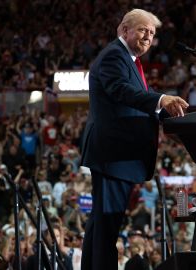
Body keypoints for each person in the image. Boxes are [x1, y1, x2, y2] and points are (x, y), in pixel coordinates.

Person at [79, 8, 188, 270]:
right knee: (106, 227)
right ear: (124, 29)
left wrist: (174, 119)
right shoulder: (114, 56)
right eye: (143, 30)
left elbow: (141, 101)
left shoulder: (129, 60)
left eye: (151, 33)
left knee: (102, 227)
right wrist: (162, 99)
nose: (148, 37)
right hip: (114, 155)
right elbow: (122, 92)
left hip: (119, 157)